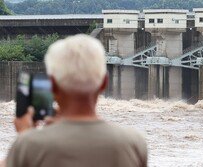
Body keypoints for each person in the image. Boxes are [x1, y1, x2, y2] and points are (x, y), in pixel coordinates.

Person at [6, 34, 147, 167]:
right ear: (104, 83)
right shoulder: (133, 143)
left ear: (53, 86)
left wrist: (24, 135)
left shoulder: (30, 145)